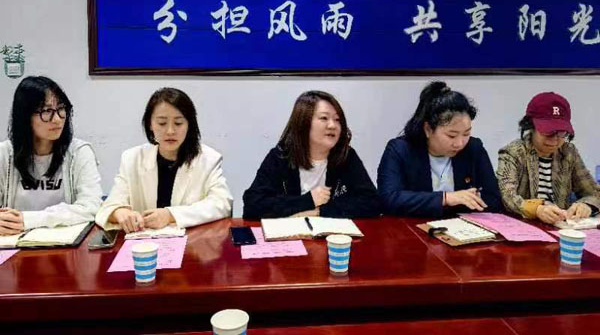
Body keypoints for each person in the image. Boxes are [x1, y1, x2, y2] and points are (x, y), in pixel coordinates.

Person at [95, 88, 232, 233]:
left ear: (189, 124)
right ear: (150, 124)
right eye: (162, 123)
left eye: (178, 123)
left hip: (192, 242)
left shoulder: (208, 159)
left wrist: (170, 215)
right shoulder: (132, 159)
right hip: (142, 243)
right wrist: (119, 212)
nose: (170, 131)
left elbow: (222, 203)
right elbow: (110, 205)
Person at [243, 90, 380, 219]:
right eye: (324, 118)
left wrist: (320, 211)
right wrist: (308, 200)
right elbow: (253, 205)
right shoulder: (281, 156)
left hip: (331, 233)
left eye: (337, 120)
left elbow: (372, 202)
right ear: (303, 122)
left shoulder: (346, 156)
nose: (332, 125)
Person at [377, 81, 503, 218]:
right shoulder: (400, 150)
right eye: (451, 135)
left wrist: (466, 199)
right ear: (428, 129)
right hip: (415, 226)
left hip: (463, 226)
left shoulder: (473, 148)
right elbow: (389, 199)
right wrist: (445, 198)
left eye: (466, 134)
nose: (459, 143)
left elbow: (493, 199)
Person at [0, 76, 102, 234]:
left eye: (61, 109)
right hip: (14, 242)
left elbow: (91, 207)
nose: (57, 119)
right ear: (25, 116)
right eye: (47, 111)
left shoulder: (79, 152)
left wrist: (29, 220)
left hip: (65, 243)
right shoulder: (4, 154)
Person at [497, 92, 600, 224]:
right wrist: (537, 209)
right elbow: (507, 196)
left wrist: (587, 205)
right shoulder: (513, 153)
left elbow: (594, 192)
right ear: (531, 127)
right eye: (548, 132)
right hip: (523, 226)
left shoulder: (569, 152)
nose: (554, 140)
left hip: (561, 227)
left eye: (561, 133)